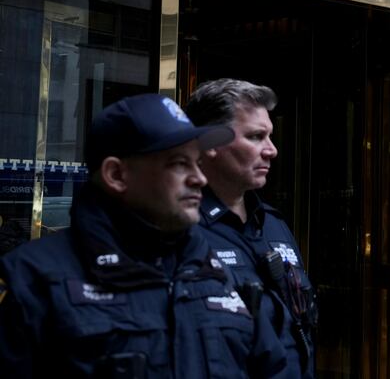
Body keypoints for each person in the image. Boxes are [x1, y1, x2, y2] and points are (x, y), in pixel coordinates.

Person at [0, 93, 290, 378]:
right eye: (179, 163)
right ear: (116, 175)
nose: (199, 179)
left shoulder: (217, 272)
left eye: (197, 163)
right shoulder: (33, 279)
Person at [185, 79, 317, 379]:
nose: (272, 150)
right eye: (256, 137)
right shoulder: (179, 229)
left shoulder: (273, 225)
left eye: (270, 136)